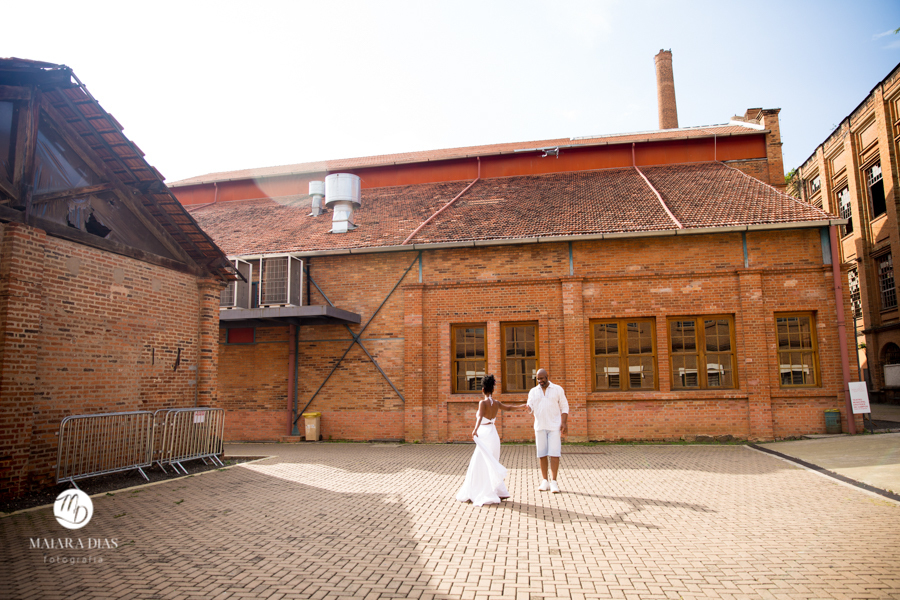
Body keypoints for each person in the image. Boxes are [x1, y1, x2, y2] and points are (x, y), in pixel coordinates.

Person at [456, 374, 526, 506]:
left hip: (484, 433)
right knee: (491, 461)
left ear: (482, 389)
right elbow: (509, 408)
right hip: (493, 434)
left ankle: (480, 491)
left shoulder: (482, 402)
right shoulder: (497, 403)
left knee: (480, 462)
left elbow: (480, 417)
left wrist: (475, 429)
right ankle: (496, 490)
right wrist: (521, 406)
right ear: (492, 389)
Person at [526, 368, 568, 493]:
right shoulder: (533, 391)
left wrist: (564, 422)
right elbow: (530, 408)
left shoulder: (557, 389)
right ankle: (545, 481)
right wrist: (528, 408)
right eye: (538, 379)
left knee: (554, 454)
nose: (540, 381)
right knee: (542, 454)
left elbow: (565, 406)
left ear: (547, 376)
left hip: (554, 427)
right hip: (540, 427)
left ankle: (554, 482)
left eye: (542, 378)